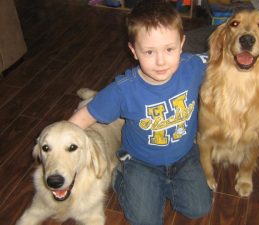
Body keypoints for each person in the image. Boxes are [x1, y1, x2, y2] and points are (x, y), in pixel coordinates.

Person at [69, 0, 212, 224]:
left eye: (169, 49)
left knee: (199, 208)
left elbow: (229, 60)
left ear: (182, 44)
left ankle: (161, 187)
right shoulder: (123, 89)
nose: (161, 60)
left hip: (184, 155)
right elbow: (84, 116)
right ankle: (121, 175)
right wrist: (64, 149)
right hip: (141, 161)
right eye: (149, 51)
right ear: (133, 50)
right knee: (145, 220)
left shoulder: (193, 66)